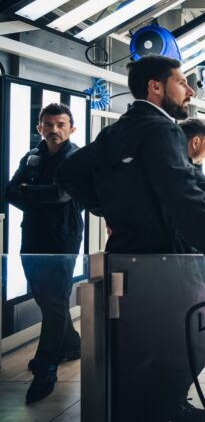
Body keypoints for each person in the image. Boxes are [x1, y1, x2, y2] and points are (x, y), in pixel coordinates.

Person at [56, 55, 205, 422]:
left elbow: (69, 172)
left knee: (144, 344)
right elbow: (184, 197)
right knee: (189, 344)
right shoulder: (161, 130)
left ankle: (157, 407)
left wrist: (115, 211)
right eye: (182, 82)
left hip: (126, 261)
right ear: (156, 86)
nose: (190, 90)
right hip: (169, 264)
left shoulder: (118, 130)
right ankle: (168, 409)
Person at [6, 103, 83, 403]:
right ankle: (72, 345)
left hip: (64, 240)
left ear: (71, 128)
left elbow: (63, 194)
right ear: (39, 127)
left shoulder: (76, 159)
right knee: (48, 299)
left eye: (60, 124)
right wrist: (40, 194)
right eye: (48, 124)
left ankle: (46, 370)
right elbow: (10, 191)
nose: (54, 129)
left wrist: (31, 192)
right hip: (32, 238)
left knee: (53, 303)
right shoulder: (32, 157)